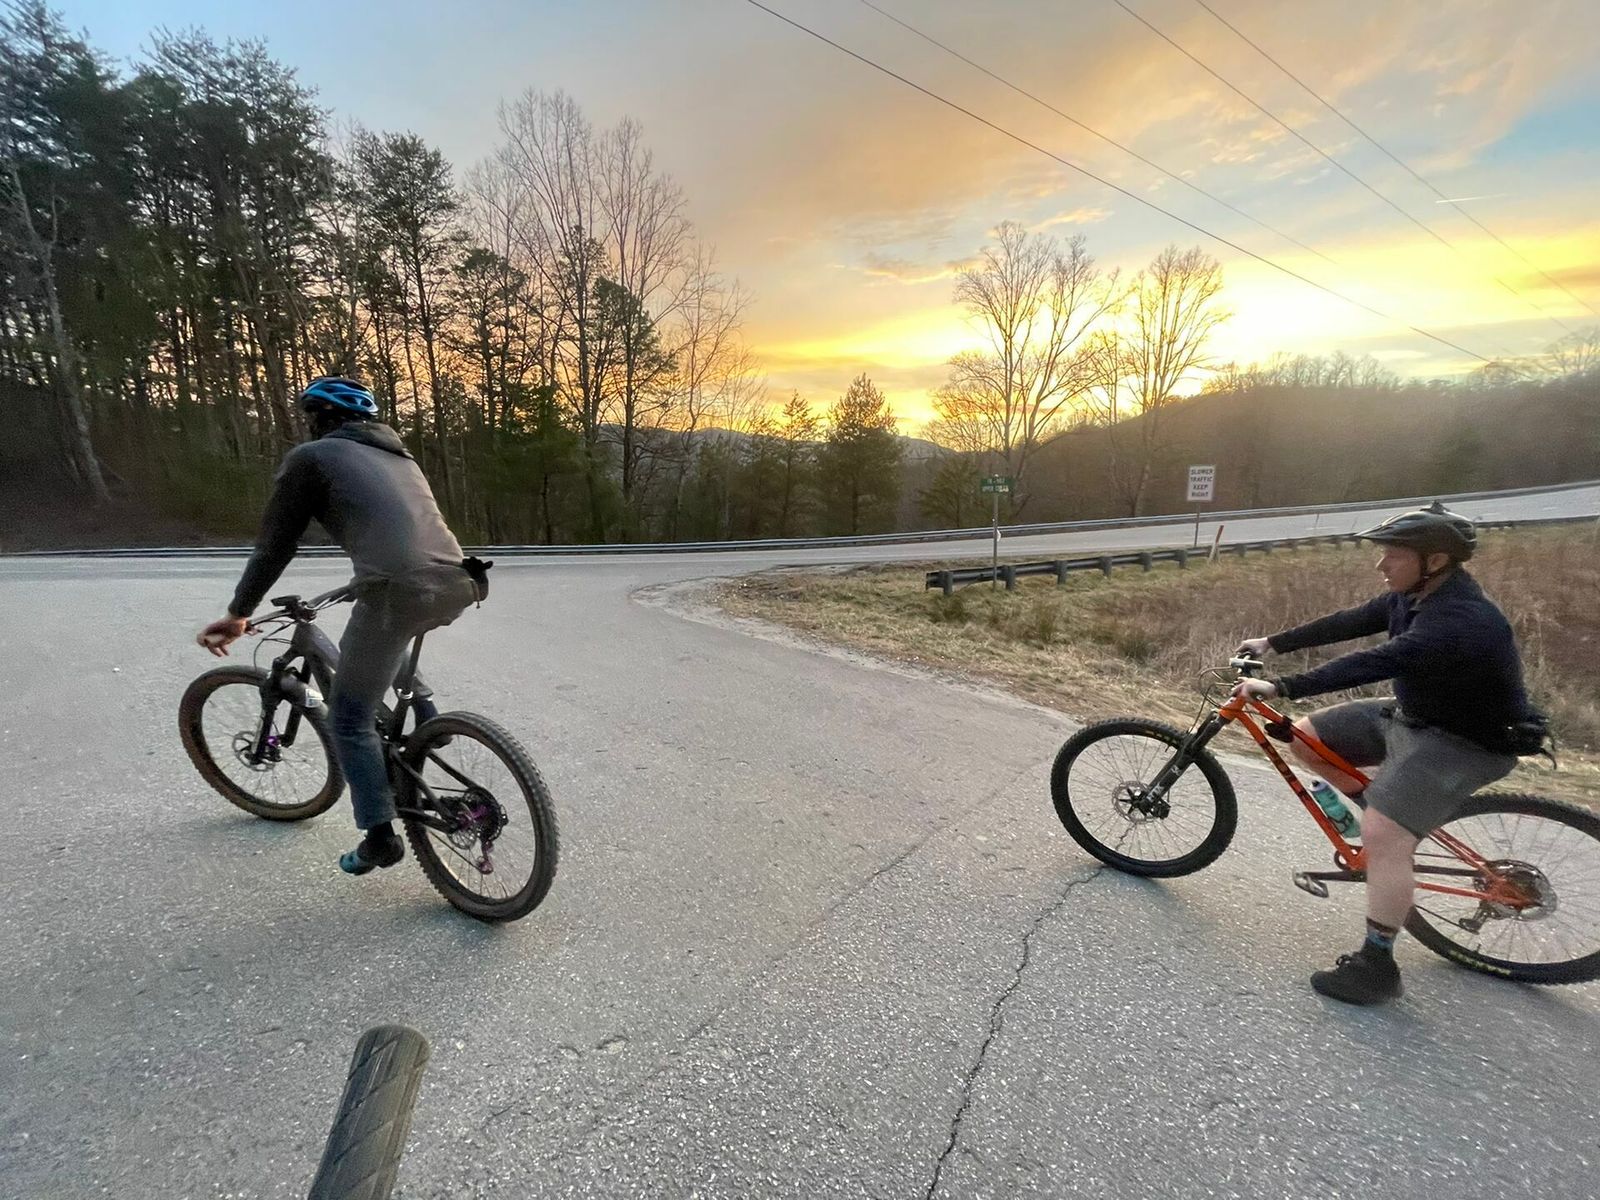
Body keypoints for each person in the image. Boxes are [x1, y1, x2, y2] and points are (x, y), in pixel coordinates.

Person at [1233, 501, 1531, 1005]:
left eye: (1393, 555)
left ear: (1434, 561)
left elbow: (1379, 660)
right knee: (1307, 737)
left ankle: (1377, 966)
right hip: (1413, 716)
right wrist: (1273, 643)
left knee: (1386, 836)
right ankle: (1384, 821)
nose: (1380, 564)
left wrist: (1284, 686)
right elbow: (1353, 621)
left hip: (1465, 740)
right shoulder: (1413, 594)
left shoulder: (1462, 617)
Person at [196, 377, 480, 876]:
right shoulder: (400, 457)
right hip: (461, 579)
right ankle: (427, 715)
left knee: (348, 718)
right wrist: (360, 582)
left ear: (319, 419)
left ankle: (379, 838)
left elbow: (276, 545)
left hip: (396, 588)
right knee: (378, 639)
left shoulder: (312, 458)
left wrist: (240, 612)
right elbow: (401, 536)